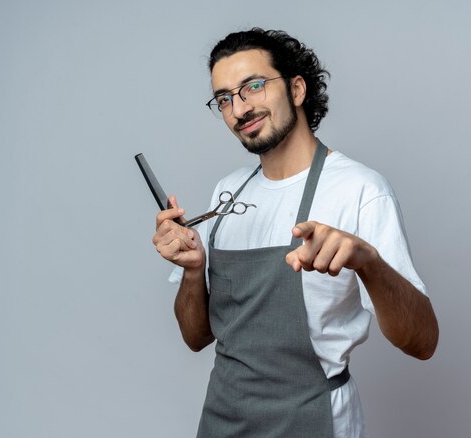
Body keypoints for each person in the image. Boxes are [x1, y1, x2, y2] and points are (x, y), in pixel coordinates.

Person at [152, 28, 439, 438]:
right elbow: (197, 337)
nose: (239, 109)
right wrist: (194, 271)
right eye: (224, 99)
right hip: (222, 420)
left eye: (253, 86)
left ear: (298, 89)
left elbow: (423, 341)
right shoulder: (226, 194)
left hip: (314, 418)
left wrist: (367, 263)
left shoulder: (359, 190)